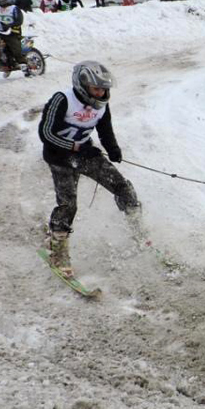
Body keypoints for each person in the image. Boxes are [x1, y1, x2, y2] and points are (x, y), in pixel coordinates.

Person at [38, 61, 141, 278]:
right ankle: (57, 252)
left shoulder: (101, 105)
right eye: (97, 88)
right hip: (60, 158)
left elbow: (105, 129)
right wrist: (75, 147)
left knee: (124, 188)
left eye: (104, 89)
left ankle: (140, 233)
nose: (101, 93)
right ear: (82, 85)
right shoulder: (62, 100)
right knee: (68, 205)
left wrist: (112, 148)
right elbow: (46, 134)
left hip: (85, 154)